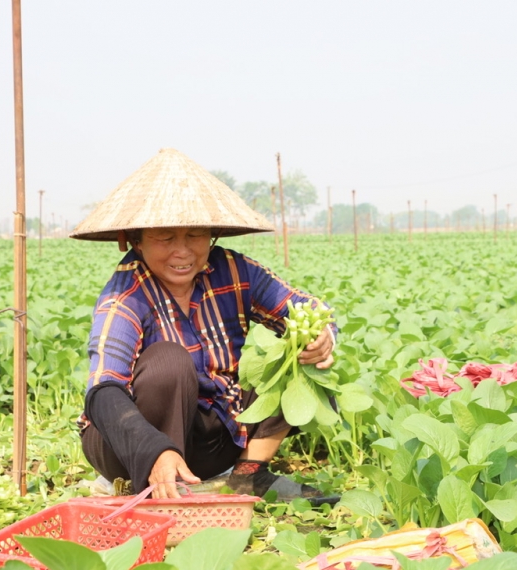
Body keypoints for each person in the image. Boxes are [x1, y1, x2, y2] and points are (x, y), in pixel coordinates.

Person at [71, 148, 338, 502]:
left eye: (195, 236)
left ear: (211, 235)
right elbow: (104, 391)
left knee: (294, 350)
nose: (182, 252)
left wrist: (322, 337)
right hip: (129, 444)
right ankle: (156, 486)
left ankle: (248, 474)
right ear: (134, 239)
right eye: (165, 238)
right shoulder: (125, 297)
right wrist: (153, 450)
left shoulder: (234, 271)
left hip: (213, 434)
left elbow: (307, 308)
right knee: (170, 362)